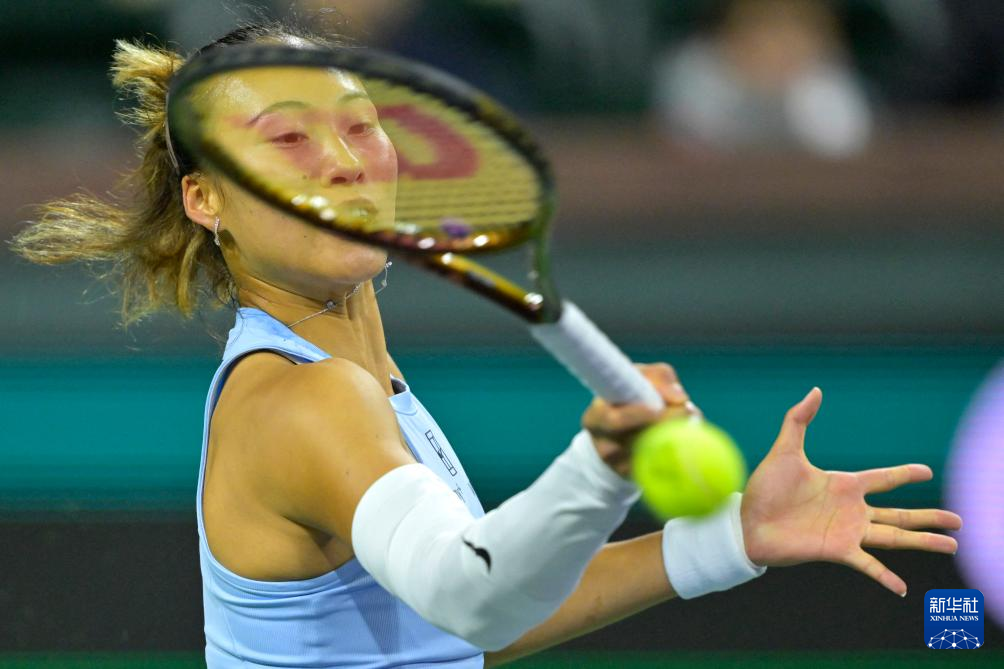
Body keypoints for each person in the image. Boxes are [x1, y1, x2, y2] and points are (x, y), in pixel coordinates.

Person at [11, 19, 963, 669]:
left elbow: (461, 627)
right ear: (205, 198)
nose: (342, 160)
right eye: (288, 140)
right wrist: (597, 469)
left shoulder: (360, 378)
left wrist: (731, 538)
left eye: (360, 126)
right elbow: (471, 595)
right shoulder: (303, 397)